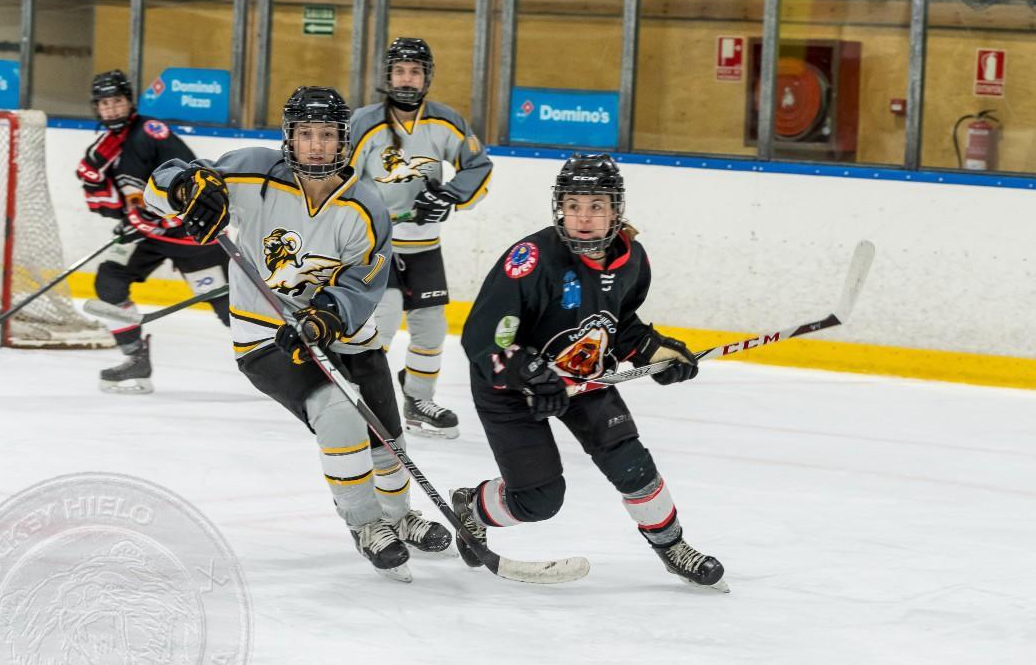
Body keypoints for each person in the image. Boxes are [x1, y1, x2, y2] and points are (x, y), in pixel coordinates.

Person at [143, 86, 452, 582]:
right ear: (289, 137)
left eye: (326, 134)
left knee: (386, 437)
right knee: (337, 415)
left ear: (342, 139)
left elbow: (364, 281)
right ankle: (366, 525)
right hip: (266, 336)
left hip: (342, 333)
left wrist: (328, 316)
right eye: (305, 134)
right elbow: (158, 186)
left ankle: (400, 516)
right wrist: (185, 184)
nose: (315, 145)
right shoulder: (250, 170)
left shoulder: (365, 205)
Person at [453, 153, 728, 592]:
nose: (584, 217)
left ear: (616, 210)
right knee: (539, 500)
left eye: (596, 206)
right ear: (559, 206)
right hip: (510, 389)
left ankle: (673, 547)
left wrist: (654, 351)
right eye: (574, 204)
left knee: (633, 466)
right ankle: (473, 507)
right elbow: (484, 340)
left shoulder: (632, 259)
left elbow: (618, 323)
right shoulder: (531, 259)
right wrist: (528, 374)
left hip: (583, 380)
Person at [348, 37, 494, 439]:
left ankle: (417, 400)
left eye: (415, 71)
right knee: (384, 319)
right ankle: (364, 398)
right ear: (388, 76)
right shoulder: (364, 122)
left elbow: (477, 167)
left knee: (431, 328)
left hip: (424, 245)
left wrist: (449, 196)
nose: (407, 79)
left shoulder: (445, 122)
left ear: (426, 77)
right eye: (400, 71)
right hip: (374, 244)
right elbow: (339, 177)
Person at [77, 69, 230, 394]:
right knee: (110, 280)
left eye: (117, 101)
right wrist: (128, 216)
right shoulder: (108, 145)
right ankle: (136, 358)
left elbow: (189, 175)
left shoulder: (149, 131)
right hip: (150, 236)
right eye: (104, 104)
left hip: (191, 236)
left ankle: (295, 357)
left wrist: (153, 212)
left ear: (129, 101)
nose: (112, 109)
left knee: (228, 307)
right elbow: (122, 195)